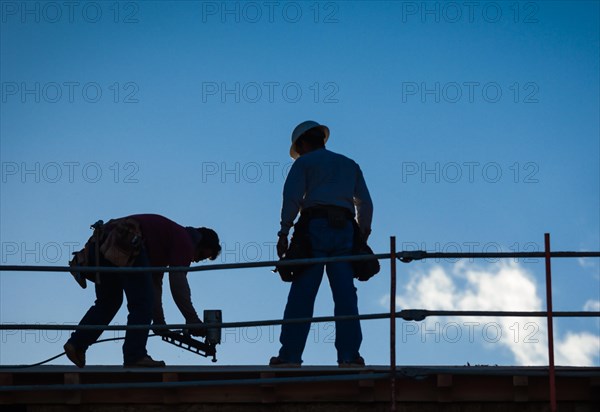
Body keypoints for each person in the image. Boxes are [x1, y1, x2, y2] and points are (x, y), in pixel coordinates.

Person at [270, 120, 373, 368]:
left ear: (302, 143)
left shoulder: (304, 163)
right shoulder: (350, 164)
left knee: (302, 294)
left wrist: (283, 232)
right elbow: (365, 204)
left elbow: (292, 198)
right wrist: (362, 236)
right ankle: (349, 357)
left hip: (314, 228)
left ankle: (289, 357)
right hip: (345, 230)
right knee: (346, 296)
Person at [63, 214, 221, 368]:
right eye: (200, 255)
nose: (194, 260)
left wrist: (159, 322)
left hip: (105, 242)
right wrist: (192, 320)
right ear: (199, 241)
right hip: (126, 241)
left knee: (109, 302)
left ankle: (77, 344)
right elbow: (178, 284)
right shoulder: (185, 241)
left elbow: (155, 285)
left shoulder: (164, 243)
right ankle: (135, 355)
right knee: (141, 303)